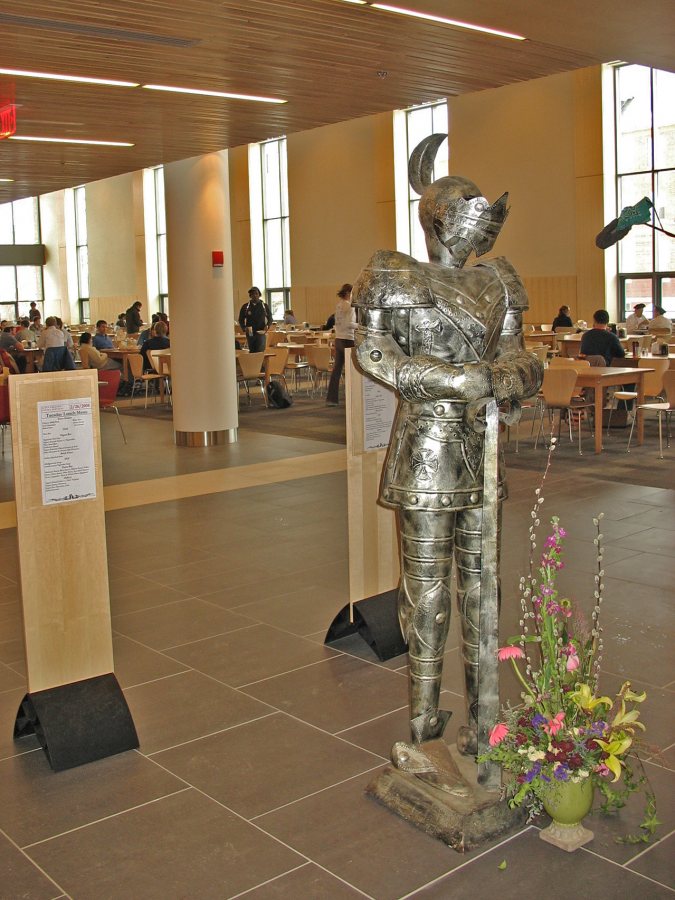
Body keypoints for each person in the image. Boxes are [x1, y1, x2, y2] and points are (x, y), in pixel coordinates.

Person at [353, 133, 543, 792]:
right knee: (426, 595)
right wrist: (447, 380)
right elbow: (373, 353)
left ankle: (485, 723)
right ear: (439, 219)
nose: (477, 239)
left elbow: (521, 353)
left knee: (482, 589)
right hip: (428, 447)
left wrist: (512, 377)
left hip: (482, 445)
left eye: (484, 229)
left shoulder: (497, 280)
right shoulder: (393, 271)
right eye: (468, 224)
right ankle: (422, 724)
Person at [325, 284, 356, 406]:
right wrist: (360, 326)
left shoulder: (338, 305)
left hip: (338, 338)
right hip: (348, 339)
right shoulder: (350, 307)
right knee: (352, 369)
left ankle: (331, 399)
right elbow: (350, 324)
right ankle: (352, 398)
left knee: (337, 369)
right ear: (349, 293)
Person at [238, 287, 272, 352]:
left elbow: (270, 318)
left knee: (260, 350)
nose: (255, 295)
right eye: (252, 294)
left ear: (259, 295)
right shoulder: (246, 306)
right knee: (252, 351)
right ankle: (253, 362)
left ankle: (260, 362)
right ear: (250, 296)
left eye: (256, 293)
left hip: (261, 331)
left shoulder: (264, 306)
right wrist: (244, 328)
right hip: (250, 332)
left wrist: (267, 325)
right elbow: (240, 319)